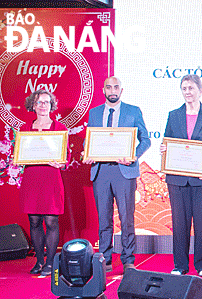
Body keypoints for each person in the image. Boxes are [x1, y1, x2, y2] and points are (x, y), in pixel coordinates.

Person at [161, 74, 202, 277]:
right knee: (179, 223)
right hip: (178, 180)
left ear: (200, 90)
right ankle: (179, 265)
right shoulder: (173, 115)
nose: (188, 92)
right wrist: (165, 148)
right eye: (184, 88)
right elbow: (168, 143)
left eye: (191, 88)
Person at [84, 76, 151, 273]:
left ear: (122, 90)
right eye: (108, 87)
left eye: (116, 87)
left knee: (126, 218)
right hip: (101, 170)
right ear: (103, 90)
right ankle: (105, 258)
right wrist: (87, 154)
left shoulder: (133, 111)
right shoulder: (95, 113)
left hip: (125, 171)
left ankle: (128, 259)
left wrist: (133, 156)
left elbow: (145, 140)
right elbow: (91, 142)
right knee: (104, 218)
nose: (112, 90)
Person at [19, 90, 67, 276]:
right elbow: (20, 152)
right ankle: (39, 261)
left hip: (51, 178)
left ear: (51, 105)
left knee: (51, 220)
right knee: (34, 220)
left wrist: (61, 162)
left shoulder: (59, 128)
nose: (43, 105)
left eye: (46, 102)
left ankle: (50, 263)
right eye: (39, 102)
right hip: (32, 178)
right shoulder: (25, 129)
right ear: (33, 105)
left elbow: (65, 158)